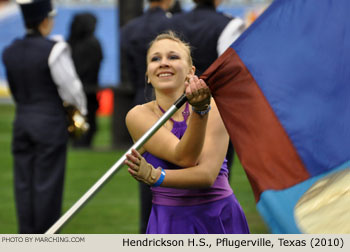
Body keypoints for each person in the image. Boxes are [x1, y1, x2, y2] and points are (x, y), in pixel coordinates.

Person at [124, 31, 249, 234]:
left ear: (191, 72)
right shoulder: (137, 116)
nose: (164, 63)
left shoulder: (216, 108)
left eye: (173, 57)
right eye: (155, 59)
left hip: (219, 217)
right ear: (148, 74)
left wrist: (156, 176)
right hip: (170, 222)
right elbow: (184, 157)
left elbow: (207, 175)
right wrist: (201, 112)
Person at [2, 0, 87, 233]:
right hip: (49, 123)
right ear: (44, 19)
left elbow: (15, 89)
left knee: (24, 184)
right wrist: (82, 113)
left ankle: (26, 236)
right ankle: (45, 238)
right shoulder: (55, 49)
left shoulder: (10, 51)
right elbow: (72, 89)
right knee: (47, 184)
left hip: (22, 121)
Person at [170, 0, 246, 177]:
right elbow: (231, 71)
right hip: (213, 107)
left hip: (174, 105)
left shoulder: (173, 21)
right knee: (216, 173)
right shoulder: (230, 24)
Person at [120, 0, 175, 233]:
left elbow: (129, 73)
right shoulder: (173, 26)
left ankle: (148, 232)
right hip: (170, 107)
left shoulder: (129, 28)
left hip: (140, 104)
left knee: (146, 179)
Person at [68, 12, 103, 148]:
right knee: (89, 121)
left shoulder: (69, 43)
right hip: (88, 90)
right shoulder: (93, 43)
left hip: (72, 91)